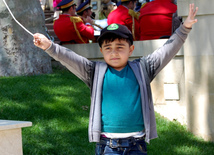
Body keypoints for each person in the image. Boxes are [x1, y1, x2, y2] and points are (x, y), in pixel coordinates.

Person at [33, 3, 198, 154]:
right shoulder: (94, 71)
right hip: (107, 147)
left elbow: (166, 52)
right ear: (101, 51)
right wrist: (50, 46)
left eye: (120, 47)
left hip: (136, 145)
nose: (114, 52)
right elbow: (69, 58)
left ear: (131, 49)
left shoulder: (143, 68)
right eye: (108, 48)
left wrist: (185, 28)